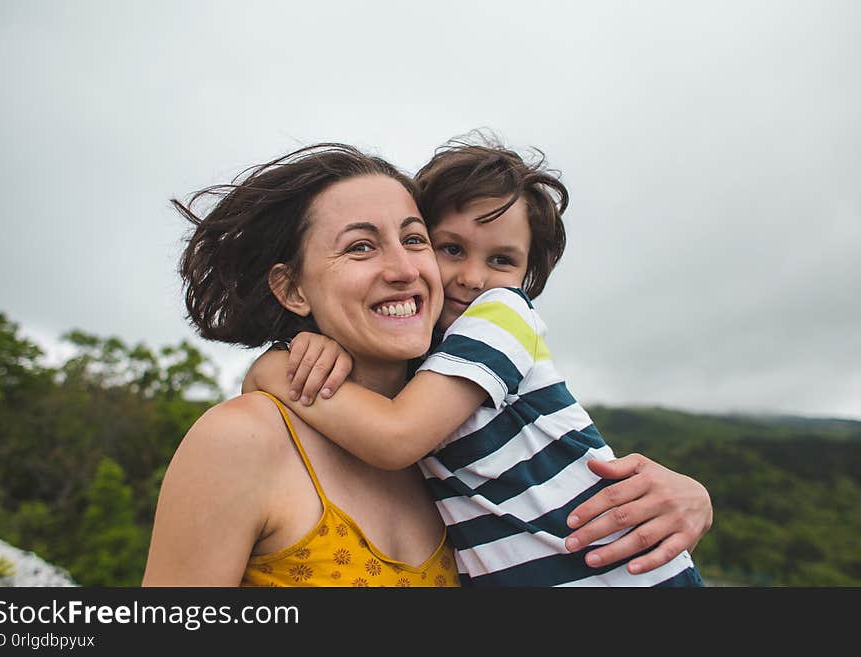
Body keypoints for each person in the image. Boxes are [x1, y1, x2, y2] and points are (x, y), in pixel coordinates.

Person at [243, 135, 711, 586]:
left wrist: (272, 372)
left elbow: (395, 437)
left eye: (502, 261)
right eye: (451, 249)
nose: (471, 277)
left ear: (526, 277)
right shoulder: (423, 363)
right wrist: (313, 346)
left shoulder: (501, 313)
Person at [143, 143, 461, 586]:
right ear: (292, 290)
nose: (404, 269)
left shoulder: (463, 441)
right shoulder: (241, 440)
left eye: (414, 240)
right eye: (361, 247)